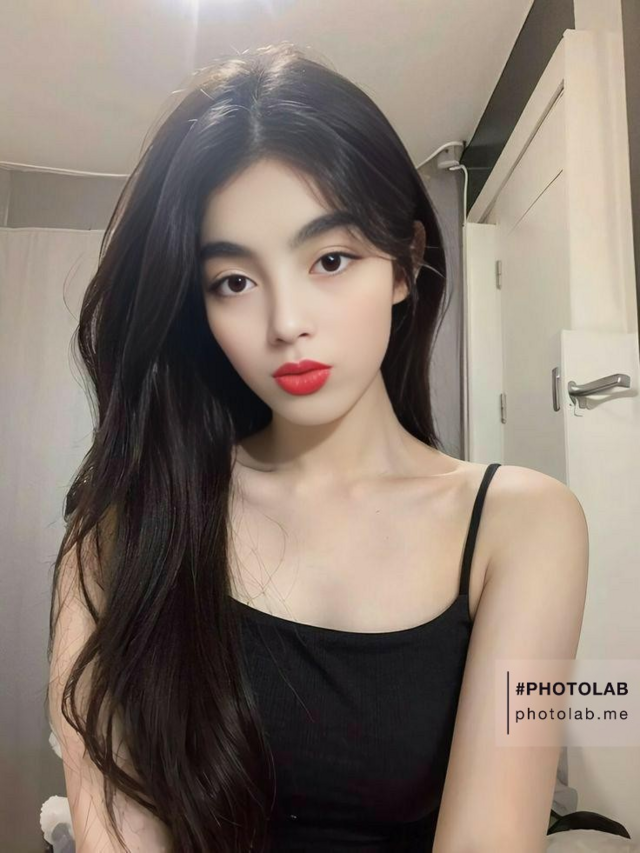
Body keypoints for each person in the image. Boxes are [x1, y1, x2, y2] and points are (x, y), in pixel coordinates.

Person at [47, 42, 589, 853]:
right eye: (234, 281)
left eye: (330, 259)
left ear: (405, 263)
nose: (286, 322)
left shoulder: (526, 524)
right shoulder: (122, 530)